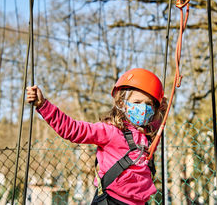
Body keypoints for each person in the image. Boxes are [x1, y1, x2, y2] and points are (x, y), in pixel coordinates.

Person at [26, 68, 167, 205]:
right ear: (121, 103)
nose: (143, 109)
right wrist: (43, 105)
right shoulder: (110, 130)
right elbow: (72, 129)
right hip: (111, 200)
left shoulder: (147, 135)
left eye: (148, 104)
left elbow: (157, 125)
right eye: (137, 102)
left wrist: (163, 111)